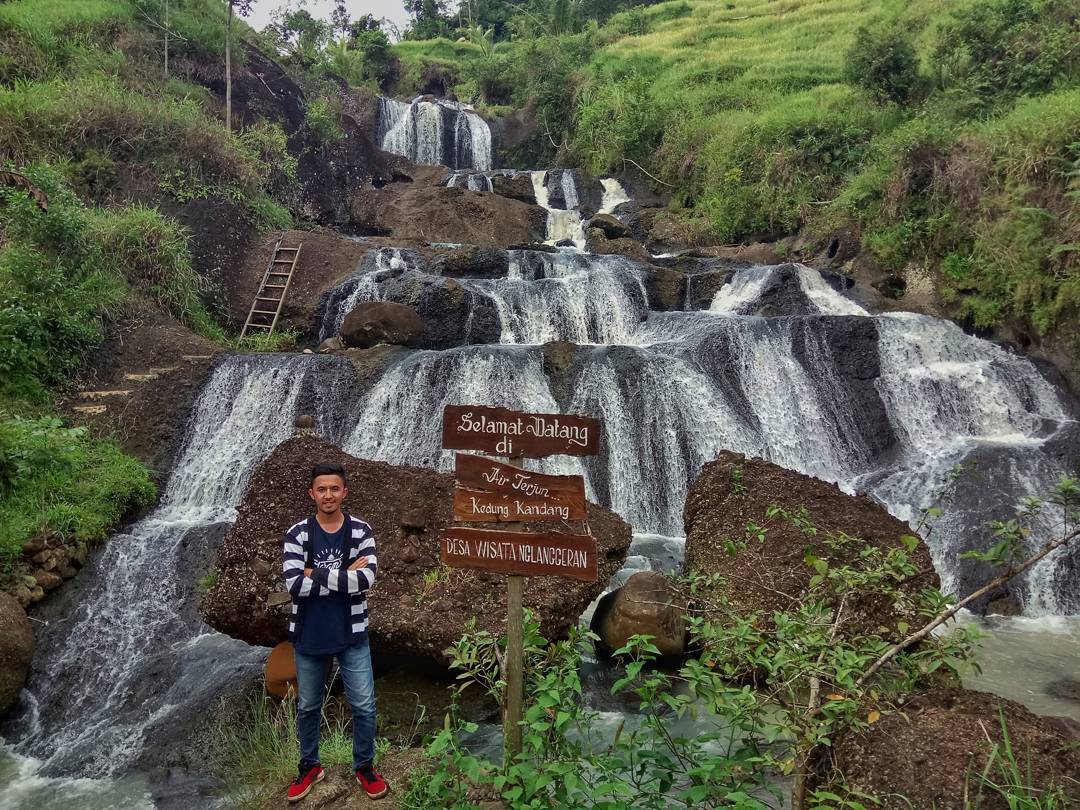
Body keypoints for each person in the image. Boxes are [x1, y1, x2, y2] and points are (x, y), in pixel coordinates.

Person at [282, 462, 388, 802]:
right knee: (309, 706)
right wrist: (344, 574)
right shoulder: (297, 534)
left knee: (364, 706)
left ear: (345, 492)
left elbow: (368, 579)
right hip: (309, 634)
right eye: (322, 489)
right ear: (312, 494)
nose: (328, 495)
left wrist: (319, 572)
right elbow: (294, 584)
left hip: (352, 632)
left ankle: (364, 767)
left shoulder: (361, 530)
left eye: (334, 489)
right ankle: (309, 766)